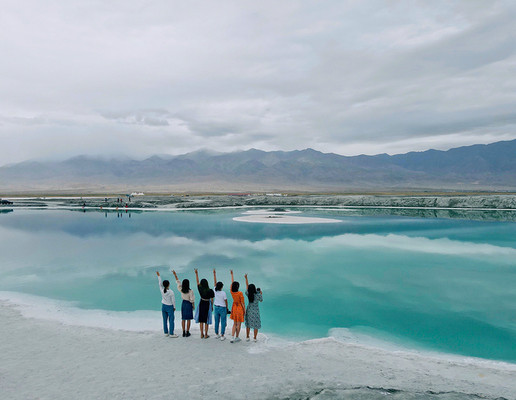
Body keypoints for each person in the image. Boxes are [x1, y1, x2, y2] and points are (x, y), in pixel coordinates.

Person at [172, 269, 195, 337]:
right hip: (188, 304)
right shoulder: (190, 291)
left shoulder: (181, 290)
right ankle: (187, 332)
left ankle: (183, 332)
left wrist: (175, 275)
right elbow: (192, 300)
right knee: (188, 319)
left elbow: (178, 283)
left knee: (183, 318)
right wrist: (193, 306)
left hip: (183, 304)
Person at [156, 271, 178, 338]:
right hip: (169, 307)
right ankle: (171, 333)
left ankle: (166, 332)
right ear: (169, 284)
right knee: (171, 320)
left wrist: (159, 276)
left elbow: (160, 283)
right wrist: (174, 307)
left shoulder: (162, 290)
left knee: (164, 320)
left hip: (163, 306)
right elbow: (173, 301)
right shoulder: (171, 292)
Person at [194, 269, 214, 339]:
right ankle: (206, 334)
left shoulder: (200, 289)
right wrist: (212, 306)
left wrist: (196, 273)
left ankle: (201, 334)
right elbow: (212, 298)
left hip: (201, 303)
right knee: (206, 320)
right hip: (207, 304)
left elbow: (197, 282)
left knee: (201, 320)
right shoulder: (210, 290)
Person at [244, 274, 263, 342]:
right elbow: (261, 300)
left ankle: (247, 336)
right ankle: (254, 338)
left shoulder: (248, 294)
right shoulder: (258, 295)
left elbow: (247, 288)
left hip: (249, 310)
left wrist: (246, 279)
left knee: (248, 324)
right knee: (256, 324)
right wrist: (260, 293)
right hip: (256, 311)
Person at [213, 269, 229, 341]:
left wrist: (214, 274)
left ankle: (217, 334)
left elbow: (215, 283)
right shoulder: (223, 293)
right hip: (222, 308)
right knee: (223, 322)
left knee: (216, 321)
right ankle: (222, 335)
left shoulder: (214, 290)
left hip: (216, 307)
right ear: (221, 287)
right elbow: (226, 301)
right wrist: (227, 308)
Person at [229, 270, 245, 343]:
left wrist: (232, 275)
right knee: (239, 324)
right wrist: (244, 311)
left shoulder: (232, 292)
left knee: (234, 323)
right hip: (239, 308)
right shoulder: (240, 293)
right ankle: (237, 337)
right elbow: (242, 303)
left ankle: (232, 337)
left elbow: (232, 285)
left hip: (234, 307)